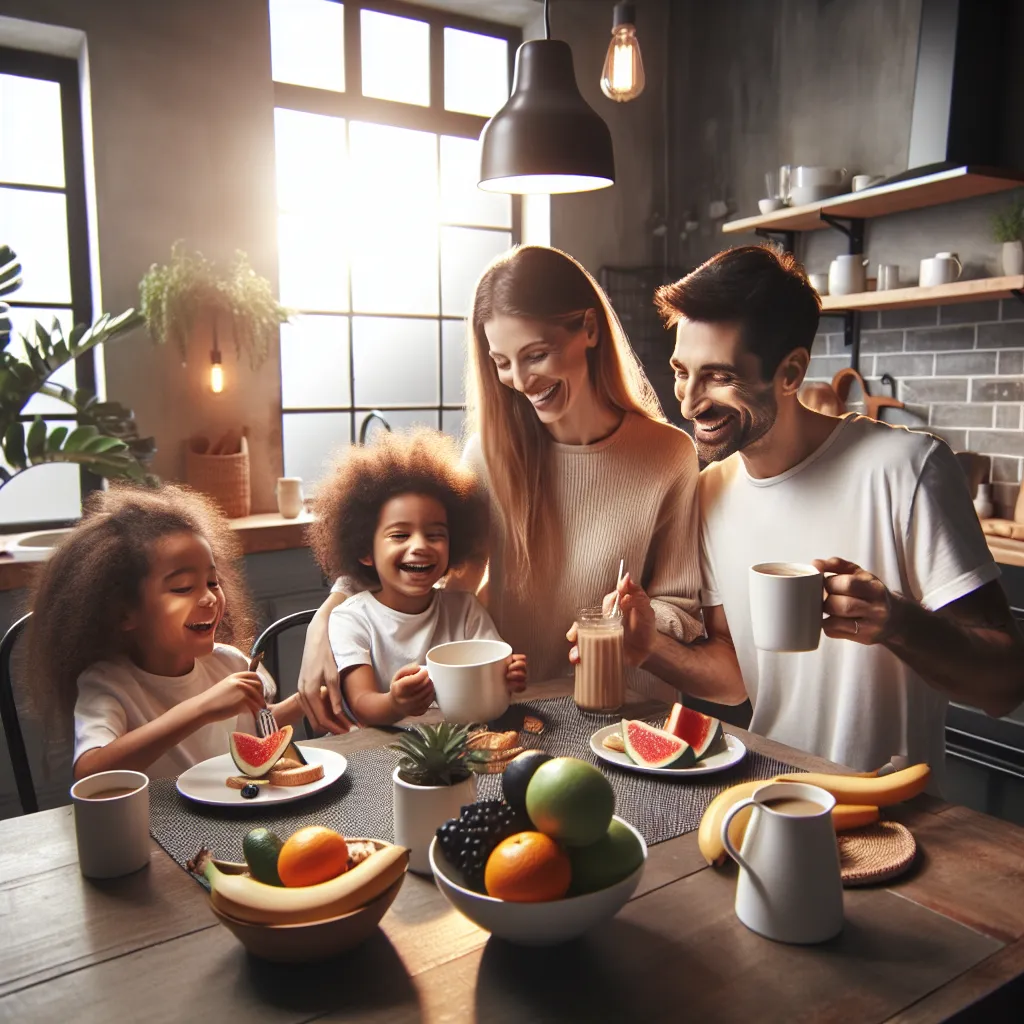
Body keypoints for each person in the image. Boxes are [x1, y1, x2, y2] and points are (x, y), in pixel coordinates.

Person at [610, 244, 1024, 776]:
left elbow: (1006, 684)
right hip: (768, 796)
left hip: (893, 814)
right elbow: (735, 674)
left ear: (791, 371)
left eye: (718, 376)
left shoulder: (908, 469)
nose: (689, 402)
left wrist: (897, 623)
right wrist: (649, 648)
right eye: (681, 372)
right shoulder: (710, 492)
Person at [297, 245, 705, 730]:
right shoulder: (489, 456)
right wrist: (327, 618)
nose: (521, 380)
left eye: (536, 354)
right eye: (502, 362)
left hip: (625, 715)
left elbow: (681, 609)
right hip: (518, 716)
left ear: (589, 330)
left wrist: (630, 623)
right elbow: (445, 572)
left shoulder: (670, 455)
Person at [26, 484, 316, 781]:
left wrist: (302, 703)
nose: (210, 598)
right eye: (183, 588)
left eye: (213, 583)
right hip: (156, 825)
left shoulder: (230, 664)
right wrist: (202, 708)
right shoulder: (108, 684)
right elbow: (90, 772)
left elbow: (257, 730)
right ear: (125, 612)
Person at [307, 429, 527, 727]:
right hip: (387, 752)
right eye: (400, 535)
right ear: (364, 550)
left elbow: (495, 665)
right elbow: (361, 704)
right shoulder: (351, 619)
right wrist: (394, 703)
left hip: (466, 740)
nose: (420, 545)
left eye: (435, 534)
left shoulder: (465, 610)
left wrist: (508, 674)